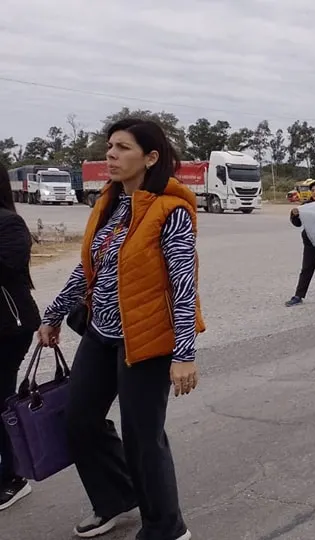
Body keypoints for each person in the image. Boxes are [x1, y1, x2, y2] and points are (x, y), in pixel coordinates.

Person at [37, 118, 201, 540]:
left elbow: (183, 283)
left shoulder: (171, 210)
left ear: (150, 157)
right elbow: (90, 269)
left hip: (147, 338)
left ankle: (166, 527)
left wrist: (184, 354)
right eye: (110, 146)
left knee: (143, 438)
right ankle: (115, 498)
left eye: (123, 147)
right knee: (79, 421)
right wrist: (53, 314)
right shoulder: (109, 203)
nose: (111, 154)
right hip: (100, 333)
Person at [0, 168, 41, 511]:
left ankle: (12, 477)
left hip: (8, 326)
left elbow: (8, 266)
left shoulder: (10, 224)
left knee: (1, 401)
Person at [285, 181, 315, 307]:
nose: (314, 193)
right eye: (313, 190)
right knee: (307, 269)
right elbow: (298, 223)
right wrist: (294, 215)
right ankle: (298, 295)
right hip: (310, 243)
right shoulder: (306, 206)